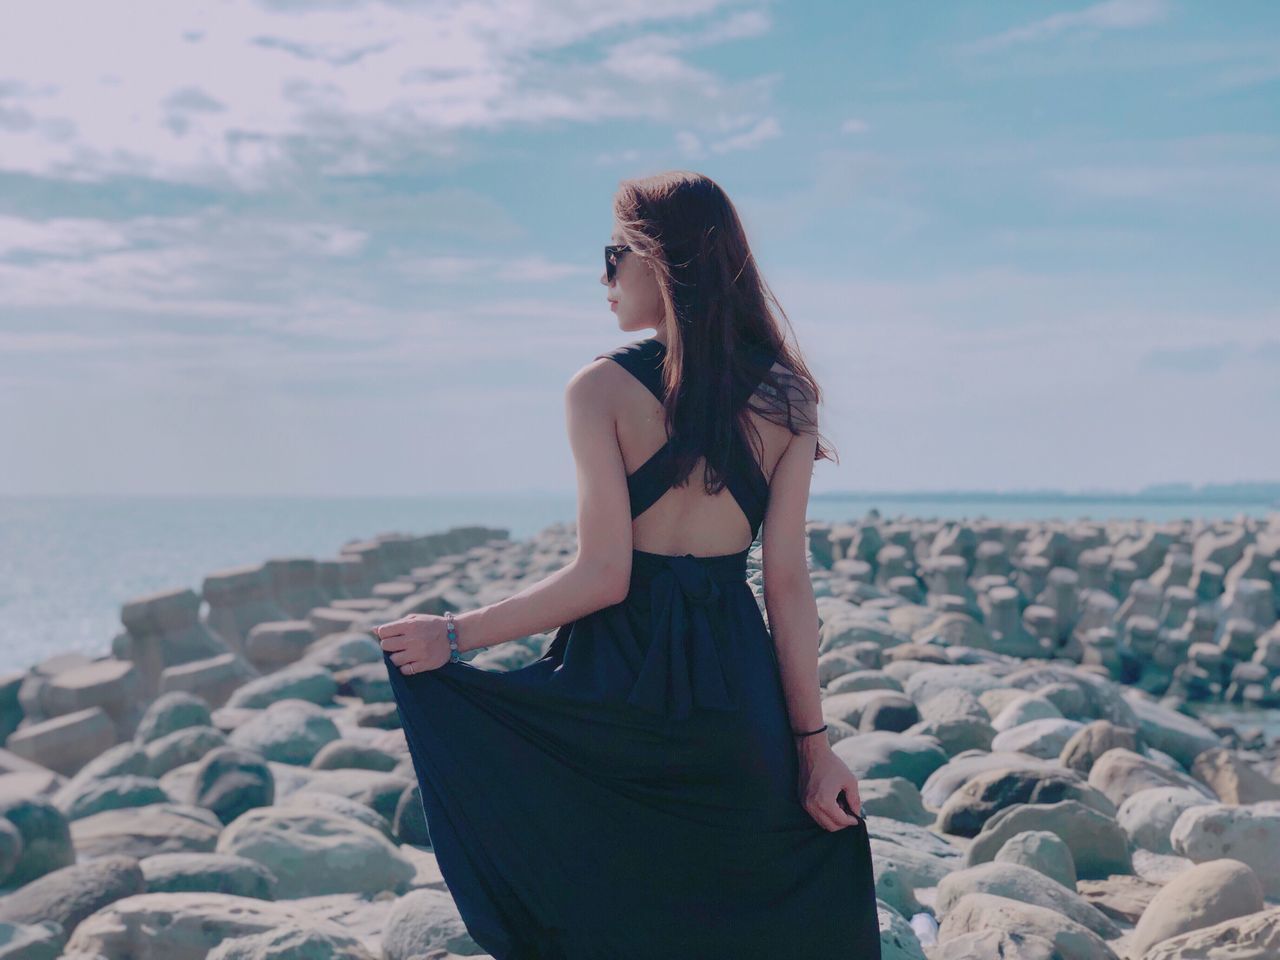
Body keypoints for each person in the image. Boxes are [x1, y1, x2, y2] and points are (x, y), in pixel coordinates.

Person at [374, 170, 881, 959]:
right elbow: (786, 587)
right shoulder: (788, 399)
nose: (603, 278)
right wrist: (814, 749)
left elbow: (602, 575)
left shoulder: (598, 391)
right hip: (734, 693)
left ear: (660, 259)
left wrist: (454, 633)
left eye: (614, 256)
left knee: (603, 900)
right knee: (745, 902)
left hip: (614, 686)